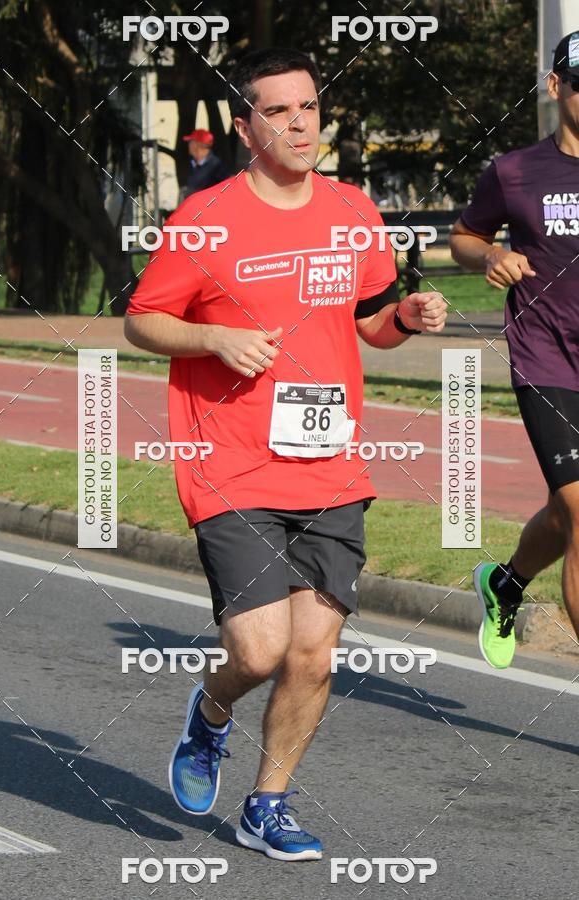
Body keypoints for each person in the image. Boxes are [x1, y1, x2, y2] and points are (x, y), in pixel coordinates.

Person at [125, 47, 446, 861]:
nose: (301, 123)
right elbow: (142, 320)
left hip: (330, 461)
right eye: (279, 110)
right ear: (245, 127)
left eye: (308, 108)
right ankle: (210, 714)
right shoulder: (206, 219)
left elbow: (369, 323)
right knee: (261, 650)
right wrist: (212, 337)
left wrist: (406, 314)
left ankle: (266, 805)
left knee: (312, 654)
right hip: (230, 459)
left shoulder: (352, 209)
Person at [450, 31, 579, 670]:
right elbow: (465, 237)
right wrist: (493, 255)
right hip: (546, 356)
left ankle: (505, 583)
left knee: (568, 510)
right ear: (557, 87)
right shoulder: (516, 170)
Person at [181, 128, 229, 198]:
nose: (188, 145)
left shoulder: (216, 166)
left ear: (196, 145)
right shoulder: (193, 164)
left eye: (190, 142)